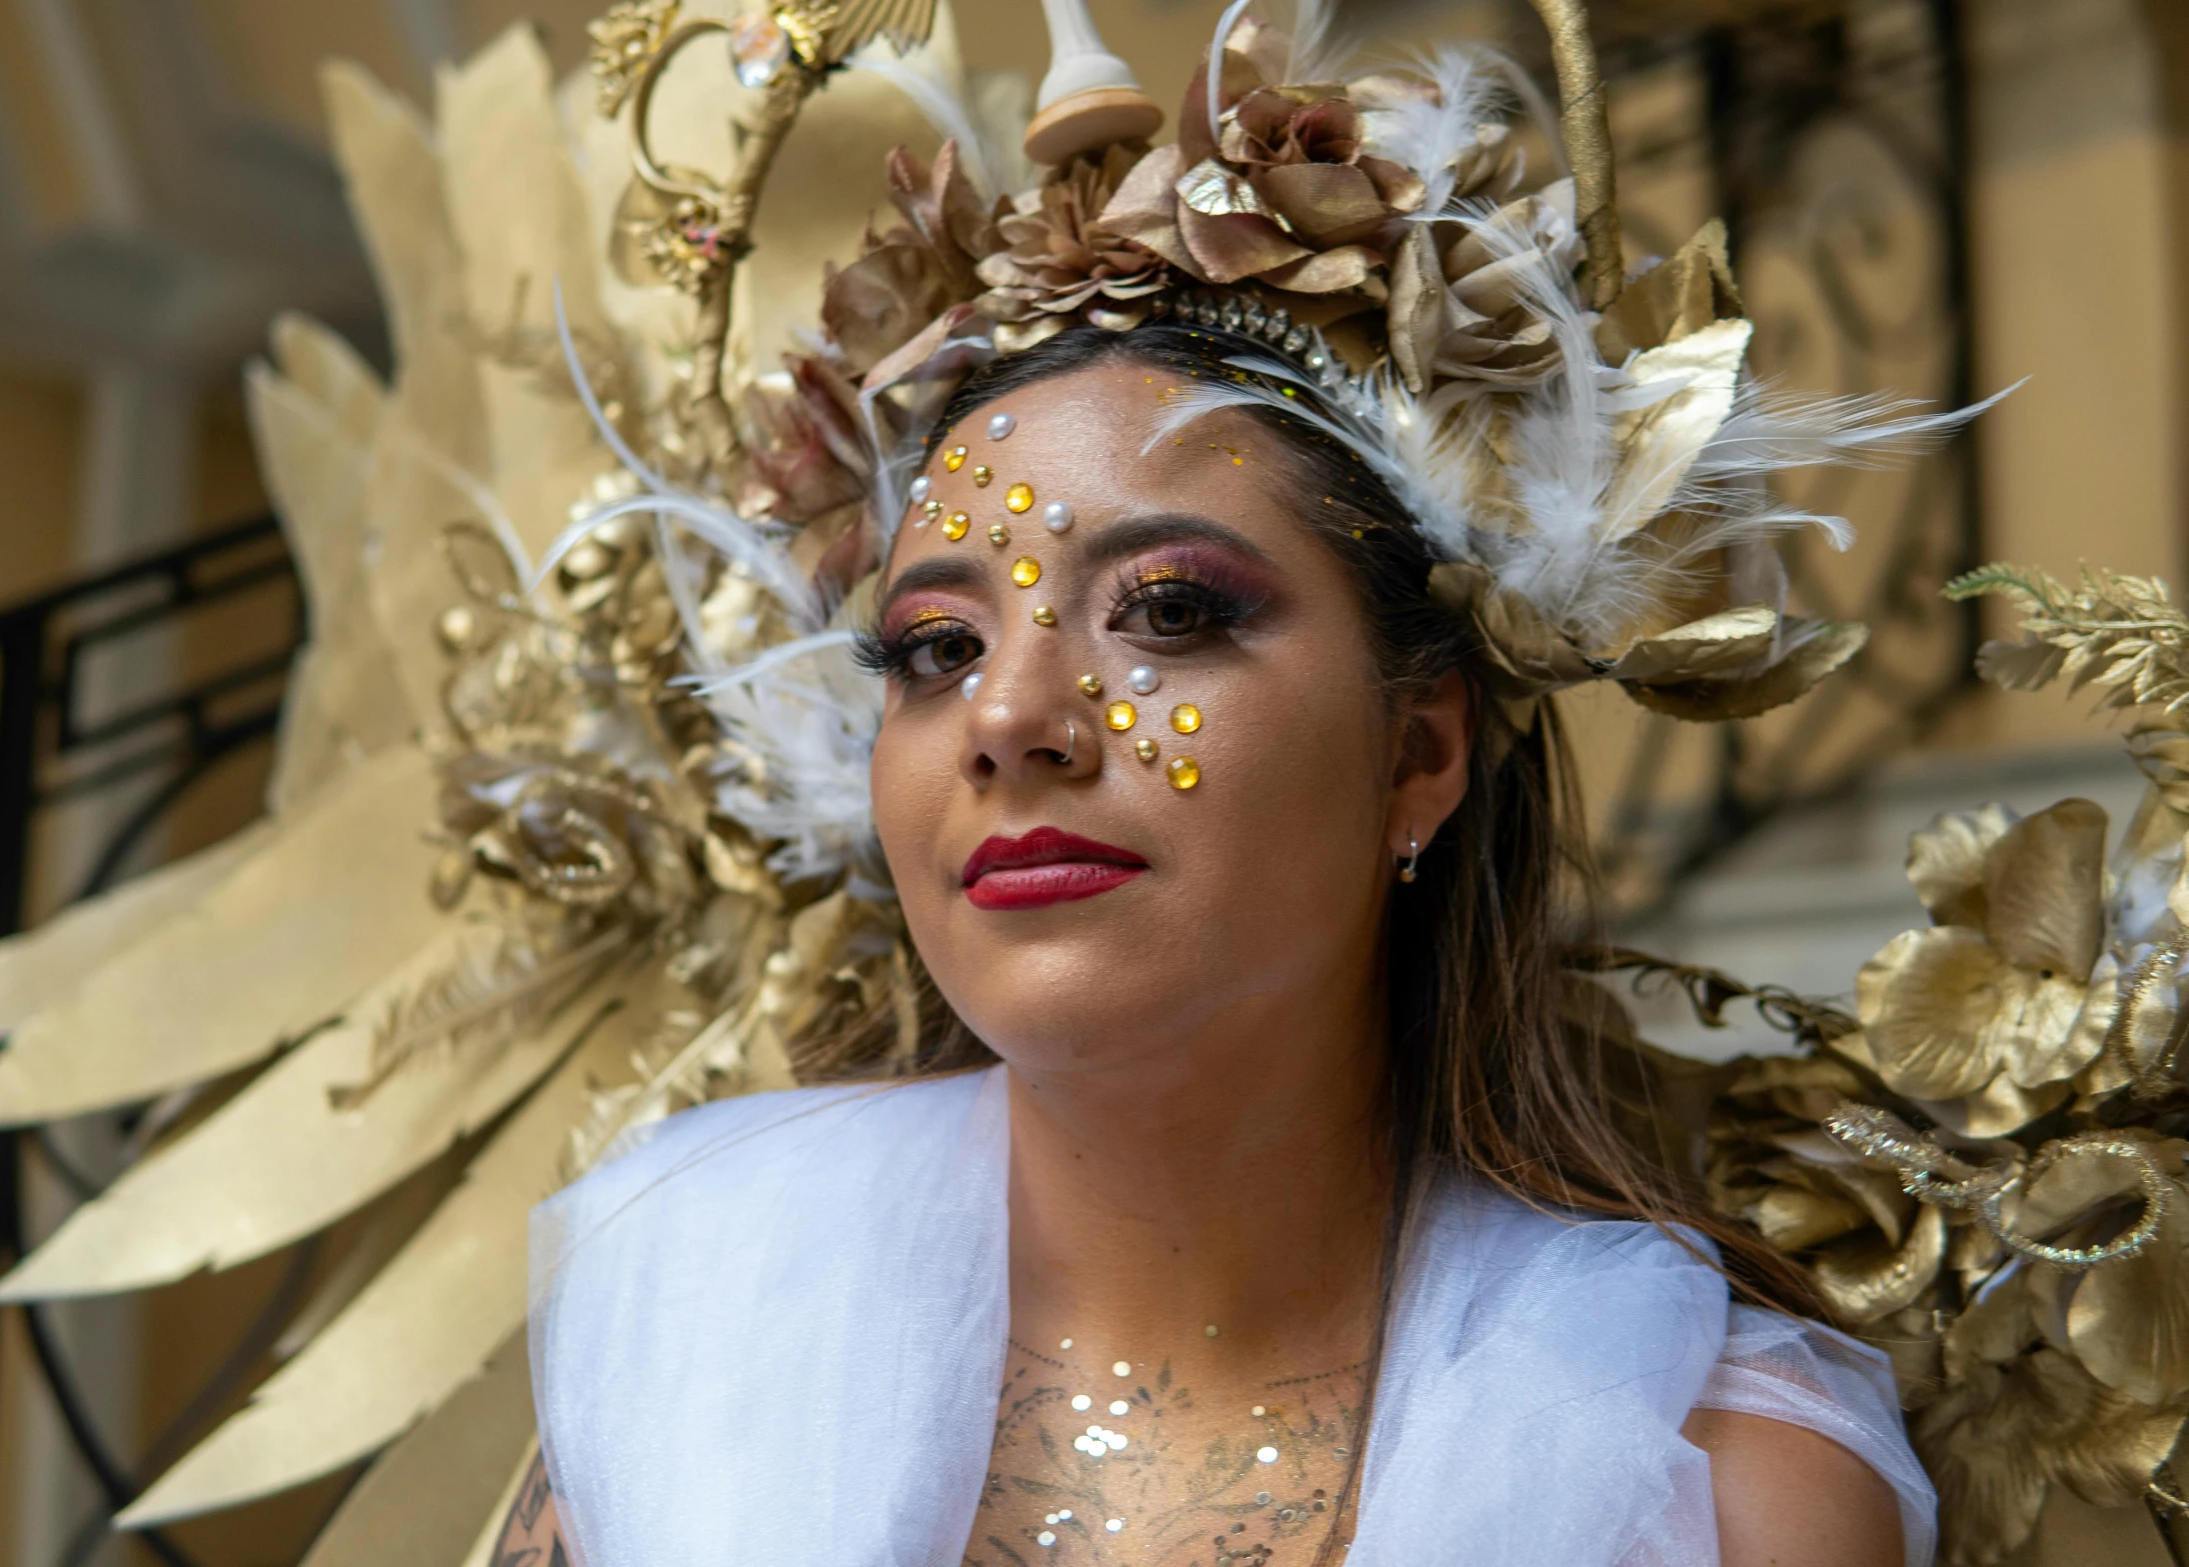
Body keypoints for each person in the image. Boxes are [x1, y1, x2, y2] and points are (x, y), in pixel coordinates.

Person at [498, 315, 1935, 1565]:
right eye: (936, 646)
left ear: (1416, 751)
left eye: (1167, 612)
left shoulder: (1714, 1484)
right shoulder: (698, 1292)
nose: (1005, 717)